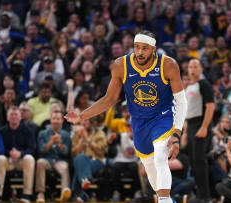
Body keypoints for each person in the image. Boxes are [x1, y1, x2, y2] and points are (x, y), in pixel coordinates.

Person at [65, 30, 188, 203]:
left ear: (153, 49)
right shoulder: (121, 65)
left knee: (161, 155)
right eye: (136, 47)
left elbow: (181, 101)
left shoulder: (168, 65)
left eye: (144, 48)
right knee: (151, 170)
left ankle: (165, 200)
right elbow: (109, 99)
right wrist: (81, 116)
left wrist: (176, 133)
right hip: (138, 123)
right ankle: (166, 199)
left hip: (163, 117)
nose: (139, 52)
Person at [185, 59, 215, 203]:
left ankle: (206, 197)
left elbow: (210, 107)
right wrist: (184, 133)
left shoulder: (204, 84)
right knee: (193, 161)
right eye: (190, 66)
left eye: (196, 66)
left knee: (199, 161)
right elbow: (187, 112)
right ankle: (200, 194)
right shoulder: (188, 87)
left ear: (201, 69)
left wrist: (204, 127)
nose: (192, 69)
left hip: (200, 123)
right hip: (190, 125)